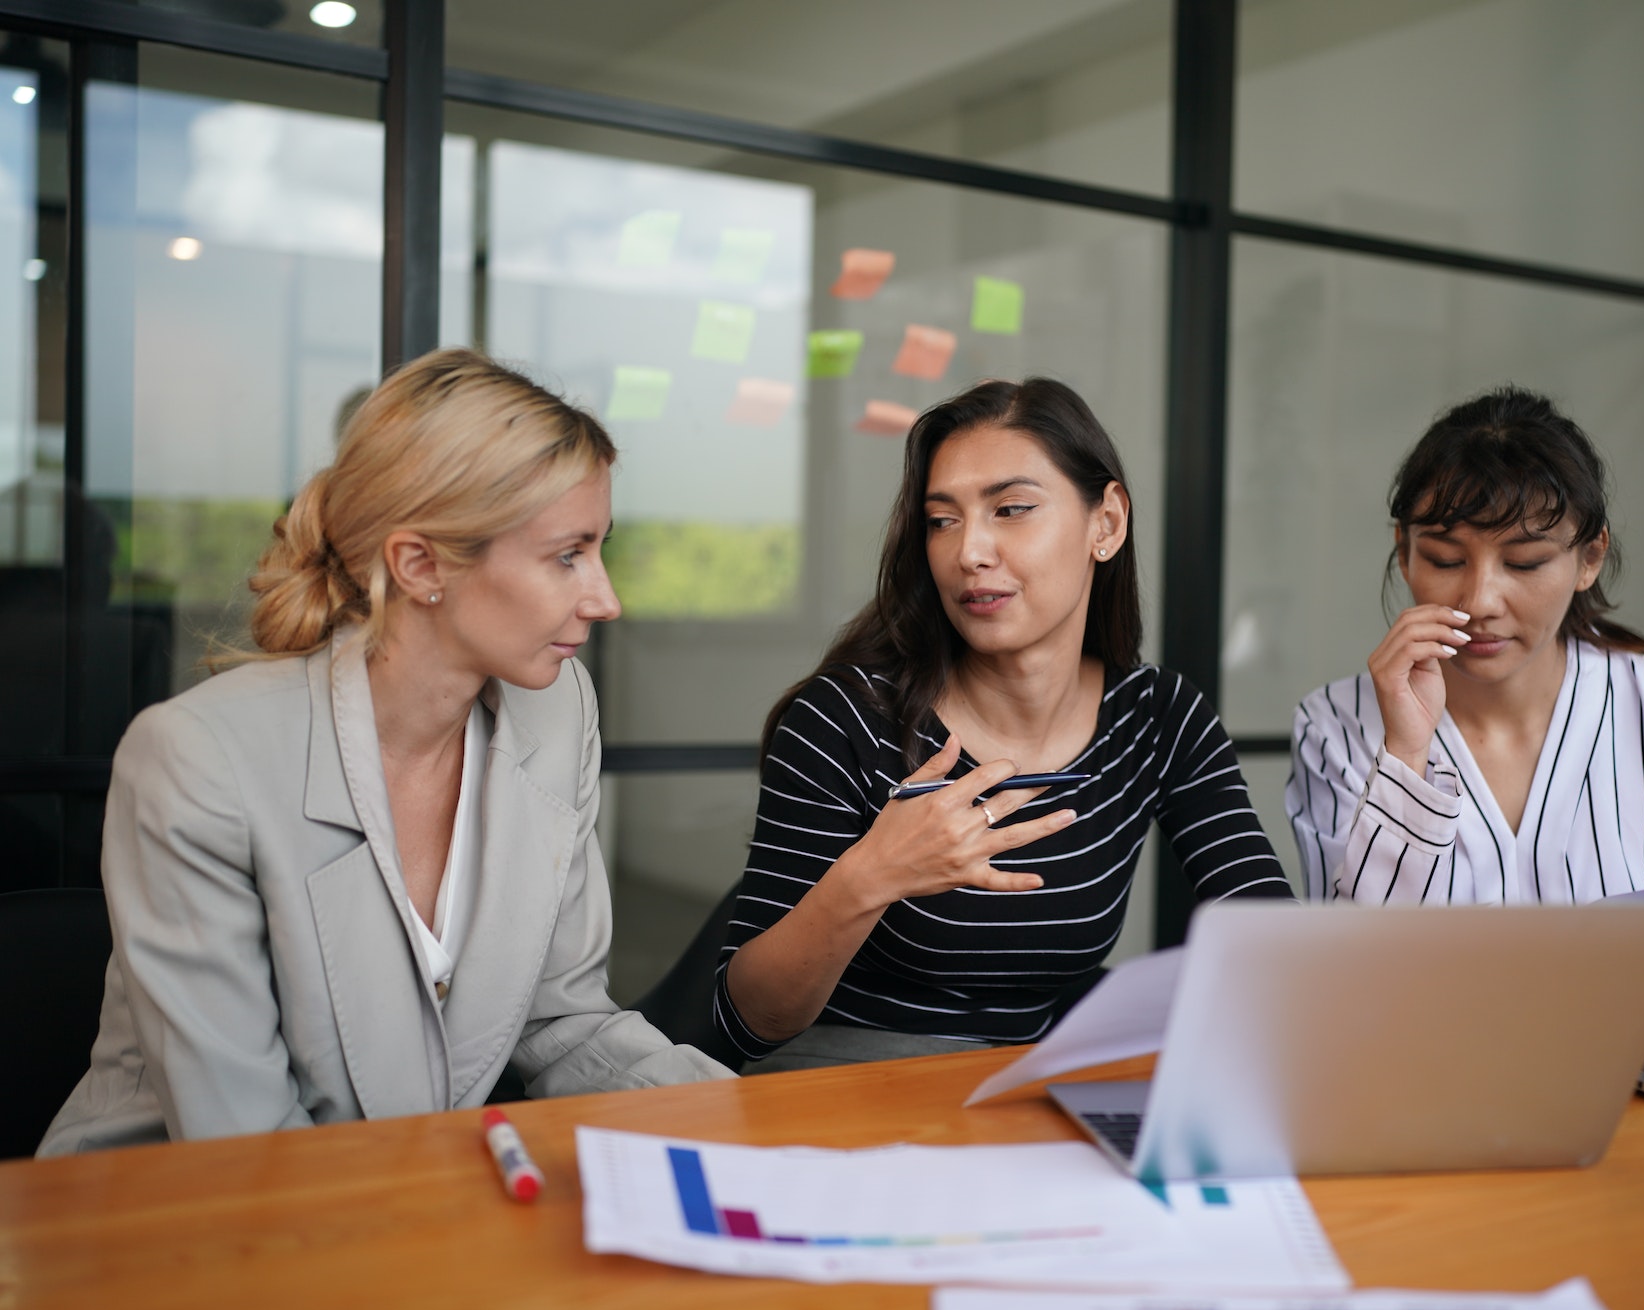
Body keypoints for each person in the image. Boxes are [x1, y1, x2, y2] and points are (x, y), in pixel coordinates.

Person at [40, 348, 730, 1155]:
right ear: (420, 564)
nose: (605, 598)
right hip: (170, 1226)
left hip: (405, 1196)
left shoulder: (556, 710)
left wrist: (752, 1126)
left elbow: (564, 1023)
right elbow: (243, 1140)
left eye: (600, 548)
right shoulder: (198, 760)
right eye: (567, 555)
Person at [717, 378, 1292, 1071]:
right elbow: (743, 1022)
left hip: (1018, 1095)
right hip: (843, 1087)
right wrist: (871, 876)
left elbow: (1273, 947)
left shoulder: (1158, 717)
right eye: (942, 519)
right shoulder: (846, 720)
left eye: (1011, 509)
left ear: (1105, 523)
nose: (969, 552)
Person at [1286, 386, 1644, 905]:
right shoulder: (1336, 726)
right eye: (1445, 560)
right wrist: (1406, 756)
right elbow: (1343, 965)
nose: (1481, 600)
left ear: (1590, 558)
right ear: (1404, 551)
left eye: (1525, 562)